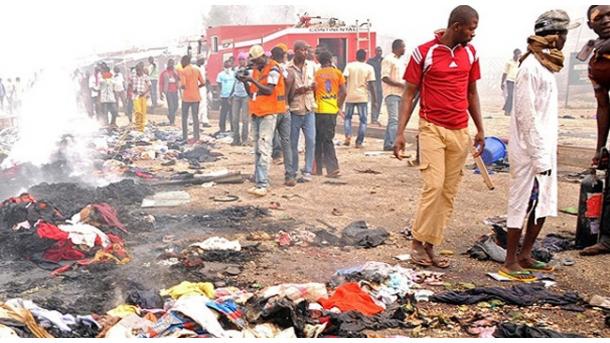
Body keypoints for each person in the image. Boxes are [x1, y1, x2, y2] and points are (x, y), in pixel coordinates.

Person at [394, 5, 485, 269]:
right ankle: (416, 243)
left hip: (460, 131)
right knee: (433, 186)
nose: (473, 33)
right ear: (457, 26)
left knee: (448, 192)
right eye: (471, 28)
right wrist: (400, 132)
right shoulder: (424, 52)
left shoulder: (471, 53)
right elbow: (409, 93)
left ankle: (431, 245)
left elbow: (472, 93)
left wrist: (480, 129)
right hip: (431, 127)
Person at [501, 10, 579, 281]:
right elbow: (525, 115)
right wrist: (537, 153)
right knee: (521, 202)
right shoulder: (530, 68)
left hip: (542, 147)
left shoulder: (547, 66)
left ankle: (526, 254)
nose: (566, 40)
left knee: (541, 202)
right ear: (555, 37)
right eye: (565, 34)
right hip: (529, 150)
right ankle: (510, 260)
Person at [237, 45, 285, 197]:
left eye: (256, 60)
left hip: (269, 113)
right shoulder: (257, 70)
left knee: (264, 148)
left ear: (263, 57)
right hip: (257, 112)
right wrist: (245, 81)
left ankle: (263, 183)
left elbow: (269, 90)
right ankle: (259, 180)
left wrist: (251, 79)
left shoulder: (274, 69)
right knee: (257, 148)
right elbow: (252, 93)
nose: (255, 63)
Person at [582, 5, 610, 256]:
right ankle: (607, 239)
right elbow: (603, 105)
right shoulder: (598, 63)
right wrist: (600, 147)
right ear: (591, 26)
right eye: (599, 19)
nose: (607, 21)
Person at [286, 40, 316, 182]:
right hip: (294, 109)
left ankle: (308, 170)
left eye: (306, 50)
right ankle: (293, 170)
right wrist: (297, 91)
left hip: (309, 108)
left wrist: (312, 88)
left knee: (310, 140)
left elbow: (316, 85)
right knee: (293, 143)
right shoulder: (288, 68)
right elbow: (286, 91)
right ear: (295, 51)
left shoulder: (311, 67)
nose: (305, 53)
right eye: (302, 50)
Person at [314, 50, 346, 178]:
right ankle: (331, 168)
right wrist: (337, 105)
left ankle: (320, 168)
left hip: (320, 110)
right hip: (332, 110)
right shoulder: (338, 73)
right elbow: (344, 92)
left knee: (318, 140)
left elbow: (313, 91)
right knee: (328, 139)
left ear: (319, 61)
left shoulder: (317, 74)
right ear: (330, 60)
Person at [269, 45, 296, 186]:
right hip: (285, 108)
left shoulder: (271, 70)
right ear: (284, 55)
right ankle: (290, 175)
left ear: (272, 56)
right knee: (287, 142)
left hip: (272, 110)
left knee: (266, 142)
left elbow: (268, 90)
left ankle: (262, 175)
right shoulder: (289, 72)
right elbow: (292, 92)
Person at [343, 49, 377, 148]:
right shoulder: (369, 68)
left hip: (350, 96)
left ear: (356, 56)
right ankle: (359, 142)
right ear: (365, 57)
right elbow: (372, 84)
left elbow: (344, 79)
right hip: (362, 97)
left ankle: (348, 135)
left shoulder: (349, 66)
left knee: (348, 118)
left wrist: (344, 92)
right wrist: (374, 99)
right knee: (363, 120)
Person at [382, 39, 407, 151]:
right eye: (403, 47)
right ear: (397, 47)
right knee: (394, 119)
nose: (404, 49)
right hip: (391, 93)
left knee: (393, 120)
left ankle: (388, 144)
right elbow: (385, 77)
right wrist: (400, 85)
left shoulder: (401, 61)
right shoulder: (388, 59)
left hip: (400, 94)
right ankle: (394, 144)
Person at [179, 55, 205, 143]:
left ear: (185, 61)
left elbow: (183, 85)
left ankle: (185, 136)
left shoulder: (183, 71)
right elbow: (203, 82)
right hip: (196, 97)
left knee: (184, 117)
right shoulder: (197, 70)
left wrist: (181, 86)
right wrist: (196, 87)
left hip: (186, 97)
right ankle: (196, 136)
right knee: (195, 117)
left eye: (182, 61)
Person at [231, 52, 251, 146]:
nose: (241, 61)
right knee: (234, 118)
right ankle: (236, 139)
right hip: (236, 95)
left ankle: (244, 139)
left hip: (245, 96)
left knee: (245, 119)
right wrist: (231, 94)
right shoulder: (236, 70)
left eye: (243, 59)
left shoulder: (249, 70)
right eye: (240, 59)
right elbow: (234, 83)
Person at [159, 58, 181, 125]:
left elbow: (180, 80)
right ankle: (172, 122)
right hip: (168, 91)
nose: (171, 65)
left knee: (176, 105)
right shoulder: (164, 73)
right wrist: (160, 93)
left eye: (172, 63)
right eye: (170, 63)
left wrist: (176, 75)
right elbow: (161, 83)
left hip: (175, 90)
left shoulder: (176, 72)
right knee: (171, 106)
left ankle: (170, 115)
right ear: (168, 64)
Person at [501, 49, 522, 116]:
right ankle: (507, 110)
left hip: (517, 80)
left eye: (520, 54)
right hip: (510, 80)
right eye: (518, 54)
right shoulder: (509, 62)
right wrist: (502, 82)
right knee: (510, 95)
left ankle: (510, 110)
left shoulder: (520, 62)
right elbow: (505, 72)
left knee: (516, 96)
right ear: (515, 54)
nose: (519, 55)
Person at [131, 62, 151, 132]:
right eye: (136, 70)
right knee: (138, 111)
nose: (138, 72)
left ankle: (141, 129)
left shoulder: (145, 76)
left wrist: (145, 93)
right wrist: (133, 90)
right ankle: (138, 127)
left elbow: (149, 86)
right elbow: (129, 85)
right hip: (135, 96)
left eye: (139, 70)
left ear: (142, 70)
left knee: (143, 112)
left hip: (142, 96)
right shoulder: (133, 76)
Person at [217, 59, 235, 133]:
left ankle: (233, 129)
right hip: (224, 96)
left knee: (232, 114)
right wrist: (219, 95)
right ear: (224, 65)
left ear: (231, 65)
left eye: (229, 63)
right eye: (226, 63)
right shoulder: (220, 74)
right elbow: (219, 85)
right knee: (223, 113)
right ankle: (222, 129)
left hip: (232, 97)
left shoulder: (234, 74)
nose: (228, 64)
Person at [367, 46, 384, 126]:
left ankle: (376, 118)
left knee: (379, 100)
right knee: (375, 100)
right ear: (375, 52)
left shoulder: (384, 61)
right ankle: (373, 119)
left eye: (380, 51)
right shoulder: (370, 61)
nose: (379, 52)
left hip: (382, 83)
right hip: (373, 82)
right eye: (378, 51)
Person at [195, 55, 212, 128]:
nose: (204, 61)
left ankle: (204, 120)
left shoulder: (202, 67)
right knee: (197, 105)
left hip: (203, 88)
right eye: (202, 60)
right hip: (197, 88)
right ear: (199, 60)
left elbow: (205, 77)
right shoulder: (194, 68)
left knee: (204, 104)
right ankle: (197, 121)